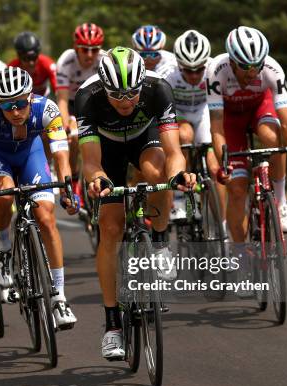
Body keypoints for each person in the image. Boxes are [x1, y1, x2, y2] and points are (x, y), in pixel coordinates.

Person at [75, 46, 196, 359]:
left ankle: (158, 241)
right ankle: (112, 325)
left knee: (160, 174)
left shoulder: (158, 90)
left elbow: (174, 153)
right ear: (104, 87)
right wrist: (97, 180)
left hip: (145, 139)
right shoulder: (87, 97)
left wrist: (180, 174)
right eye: (118, 96)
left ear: (142, 85)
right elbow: (90, 161)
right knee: (110, 229)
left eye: (132, 94)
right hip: (106, 151)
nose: (126, 102)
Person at [0, 66, 78, 328]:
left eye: (21, 103)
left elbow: (61, 155)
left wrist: (67, 188)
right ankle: (4, 246)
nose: (16, 112)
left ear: (31, 96)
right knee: (4, 197)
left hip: (31, 156)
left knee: (45, 216)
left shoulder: (47, 108)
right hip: (0, 159)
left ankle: (60, 298)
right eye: (8, 107)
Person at [207, 26, 287, 239]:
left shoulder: (273, 69)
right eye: (246, 66)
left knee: (272, 137)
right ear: (231, 62)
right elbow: (217, 125)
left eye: (257, 65)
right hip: (231, 120)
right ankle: (240, 257)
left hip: (259, 109)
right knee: (237, 191)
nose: (253, 72)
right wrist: (224, 162)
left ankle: (281, 203)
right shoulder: (215, 71)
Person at [161, 29, 221, 220]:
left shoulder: (214, 70)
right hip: (178, 112)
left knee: (213, 168)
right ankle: (180, 197)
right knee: (185, 135)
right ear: (179, 64)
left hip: (203, 111)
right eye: (188, 70)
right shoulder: (167, 75)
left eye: (199, 69)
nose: (194, 75)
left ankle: (221, 225)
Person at [56, 23, 104, 197]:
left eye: (94, 49)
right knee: (75, 136)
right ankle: (74, 178)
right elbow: (61, 99)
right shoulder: (66, 61)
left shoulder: (104, 60)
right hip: (72, 104)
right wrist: (65, 127)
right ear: (76, 47)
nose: (90, 55)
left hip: (95, 102)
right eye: (84, 50)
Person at [8, 32, 56, 97]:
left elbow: (58, 90)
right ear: (19, 56)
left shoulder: (47, 64)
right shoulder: (11, 68)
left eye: (34, 57)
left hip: (44, 97)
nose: (31, 63)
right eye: (26, 58)